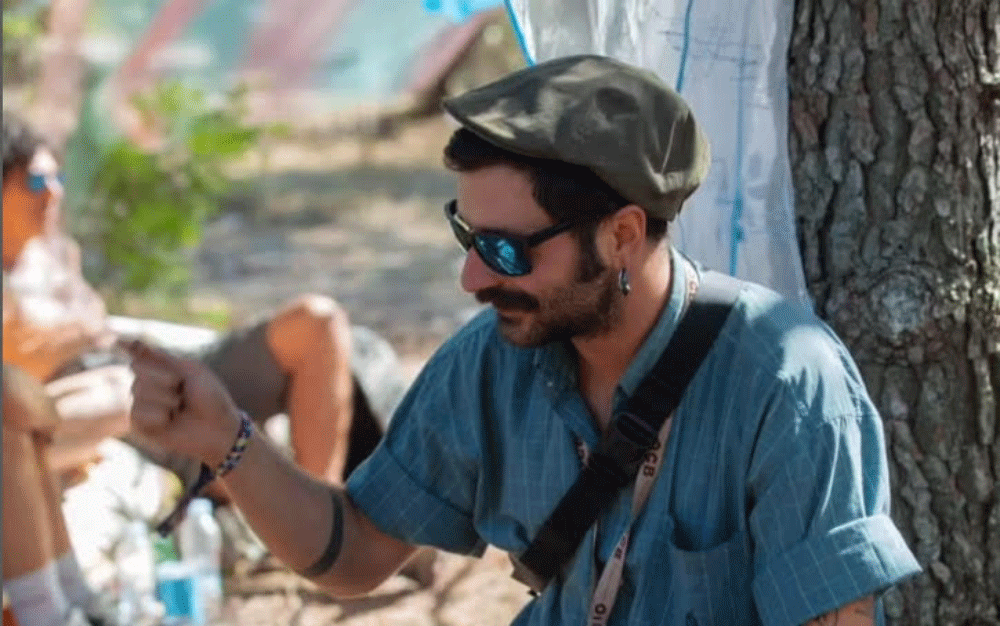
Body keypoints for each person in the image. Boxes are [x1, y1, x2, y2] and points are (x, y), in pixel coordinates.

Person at [126, 55, 922, 625]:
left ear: (621, 236)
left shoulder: (785, 381)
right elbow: (354, 553)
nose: (472, 279)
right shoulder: (491, 362)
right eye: (466, 236)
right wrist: (225, 436)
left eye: (506, 251)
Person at [1, 111, 396, 626]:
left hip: (147, 364)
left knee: (316, 321)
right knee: (120, 390)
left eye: (59, 176)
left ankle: (316, 522)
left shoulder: (58, 250)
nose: (53, 192)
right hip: (85, 403)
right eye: (35, 180)